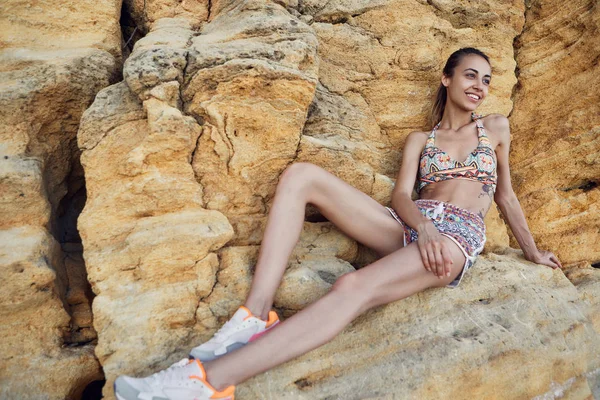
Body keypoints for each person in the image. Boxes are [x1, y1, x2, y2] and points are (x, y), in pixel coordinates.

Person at [114, 47, 562, 400]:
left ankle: (206, 382)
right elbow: (401, 196)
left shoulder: (495, 128)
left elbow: (504, 194)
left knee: (351, 289)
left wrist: (533, 251)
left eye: (486, 80)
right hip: (411, 226)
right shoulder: (420, 140)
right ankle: (254, 314)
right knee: (300, 176)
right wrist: (422, 229)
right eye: (470, 75)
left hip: (455, 237)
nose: (479, 86)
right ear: (447, 78)